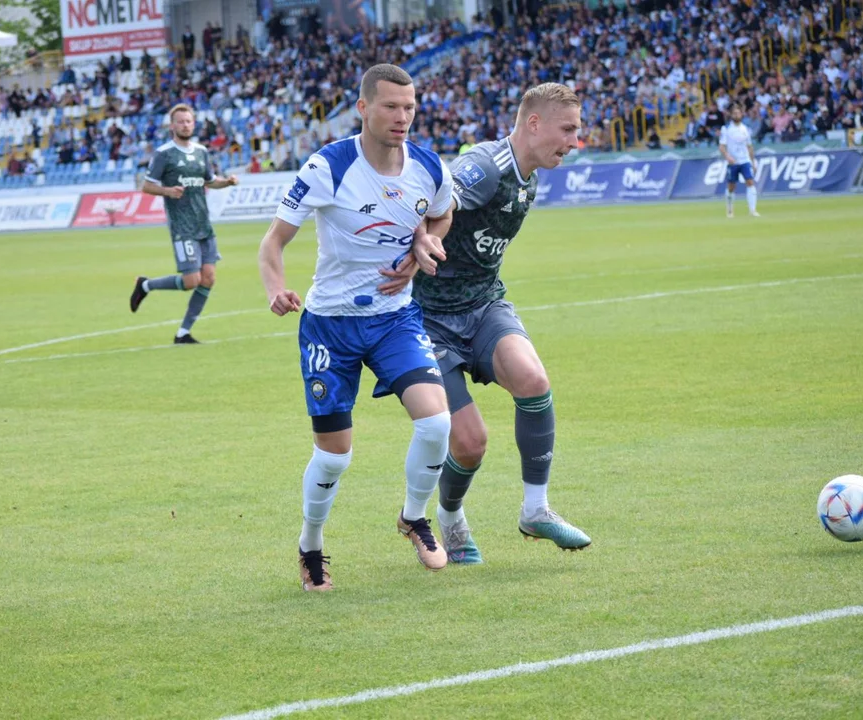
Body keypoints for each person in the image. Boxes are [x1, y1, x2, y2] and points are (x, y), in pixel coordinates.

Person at [257, 64, 455, 592]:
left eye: (410, 106)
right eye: (391, 106)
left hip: (395, 318)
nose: (402, 117)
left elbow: (442, 214)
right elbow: (272, 243)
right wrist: (276, 288)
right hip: (330, 327)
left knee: (437, 424)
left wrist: (423, 246)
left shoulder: (430, 167)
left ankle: (414, 517)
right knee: (333, 455)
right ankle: (311, 544)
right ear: (363, 108)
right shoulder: (329, 166)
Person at [407, 83, 592, 564]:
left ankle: (536, 509)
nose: (575, 140)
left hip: (484, 302)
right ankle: (449, 517)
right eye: (567, 129)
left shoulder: (529, 175)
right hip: (429, 318)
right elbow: (424, 204)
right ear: (534, 123)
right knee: (470, 443)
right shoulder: (485, 168)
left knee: (533, 380)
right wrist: (419, 243)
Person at [128, 104, 238, 344]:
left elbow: (209, 181)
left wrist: (227, 182)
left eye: (189, 121)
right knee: (191, 281)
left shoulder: (201, 152)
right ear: (172, 126)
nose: (185, 125)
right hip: (182, 225)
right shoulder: (164, 154)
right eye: (181, 121)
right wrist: (167, 190)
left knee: (208, 278)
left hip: (203, 224)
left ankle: (183, 333)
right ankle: (145, 285)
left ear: (193, 123)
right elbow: (146, 185)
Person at [719, 104, 760, 218]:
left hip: (745, 160)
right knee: (731, 186)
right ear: (731, 115)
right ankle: (730, 209)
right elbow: (722, 146)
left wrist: (753, 162)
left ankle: (752, 210)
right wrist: (728, 156)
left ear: (742, 114)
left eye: (738, 113)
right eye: (734, 113)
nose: (737, 115)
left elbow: (750, 147)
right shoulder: (726, 129)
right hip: (733, 162)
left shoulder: (745, 129)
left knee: (750, 182)